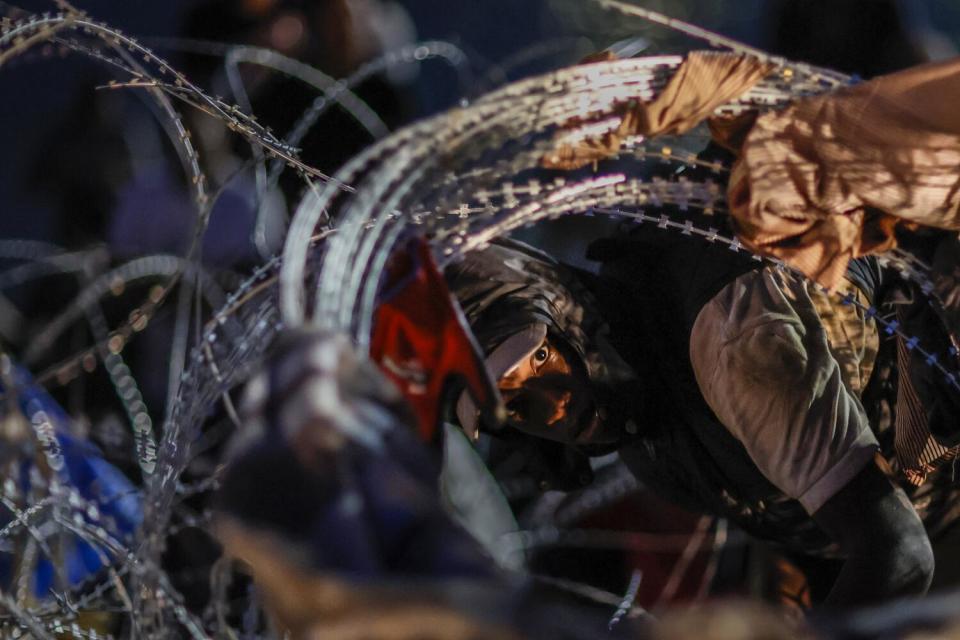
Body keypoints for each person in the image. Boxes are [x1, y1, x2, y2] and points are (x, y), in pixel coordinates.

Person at [445, 210, 960, 609]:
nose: (554, 407)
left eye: (541, 357)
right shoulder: (631, 411)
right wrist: (786, 573)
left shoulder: (729, 339)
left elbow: (899, 554)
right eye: (514, 404)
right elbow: (778, 468)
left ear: (565, 309)